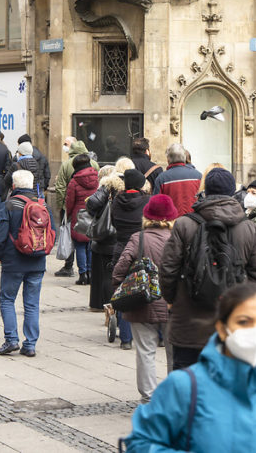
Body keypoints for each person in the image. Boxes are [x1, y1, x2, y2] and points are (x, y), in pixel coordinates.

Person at [124, 283, 256, 452]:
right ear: (222, 328)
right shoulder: (184, 387)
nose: (255, 331)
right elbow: (139, 444)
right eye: (243, 322)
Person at [160, 167, 256, 371]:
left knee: (188, 392)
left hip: (189, 324)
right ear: (232, 193)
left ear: (206, 191)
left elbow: (168, 269)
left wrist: (175, 299)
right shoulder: (249, 228)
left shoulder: (184, 225)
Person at [112, 194, 177, 400]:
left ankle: (148, 397)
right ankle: (175, 396)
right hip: (172, 303)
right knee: (173, 353)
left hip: (142, 302)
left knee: (145, 352)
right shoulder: (178, 239)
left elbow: (119, 270)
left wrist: (120, 288)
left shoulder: (138, 238)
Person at [0, 170, 52, 357]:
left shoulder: (9, 205)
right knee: (32, 304)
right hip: (37, 261)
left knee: (7, 299)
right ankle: (30, 344)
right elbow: (53, 232)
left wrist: (1, 256)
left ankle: (11, 340)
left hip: (13, 261)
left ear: (13, 186)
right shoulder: (42, 205)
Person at [108, 168, 151, 349]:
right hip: (142, 245)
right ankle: (156, 333)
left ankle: (125, 338)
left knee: (123, 288)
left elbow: (114, 222)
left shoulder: (117, 201)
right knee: (150, 282)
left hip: (121, 246)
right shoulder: (147, 200)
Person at [52, 137, 93, 277]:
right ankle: (90, 272)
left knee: (78, 241)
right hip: (93, 211)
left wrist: (63, 208)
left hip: (76, 211)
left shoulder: (69, 170)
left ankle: (76, 270)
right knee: (89, 242)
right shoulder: (94, 165)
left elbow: (61, 187)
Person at [86, 164, 125, 309]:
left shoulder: (108, 186)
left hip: (106, 237)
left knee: (106, 274)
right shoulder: (134, 187)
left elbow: (92, 203)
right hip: (123, 237)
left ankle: (105, 306)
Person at [66, 153, 100, 285]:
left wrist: (68, 215)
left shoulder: (74, 181)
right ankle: (91, 273)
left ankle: (82, 275)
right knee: (90, 244)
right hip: (93, 215)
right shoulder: (97, 178)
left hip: (78, 215)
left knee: (80, 245)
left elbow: (70, 201)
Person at [152, 143, 201, 216]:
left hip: (172, 222)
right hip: (194, 221)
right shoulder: (198, 176)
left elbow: (156, 206)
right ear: (184, 158)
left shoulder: (161, 179)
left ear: (168, 159)